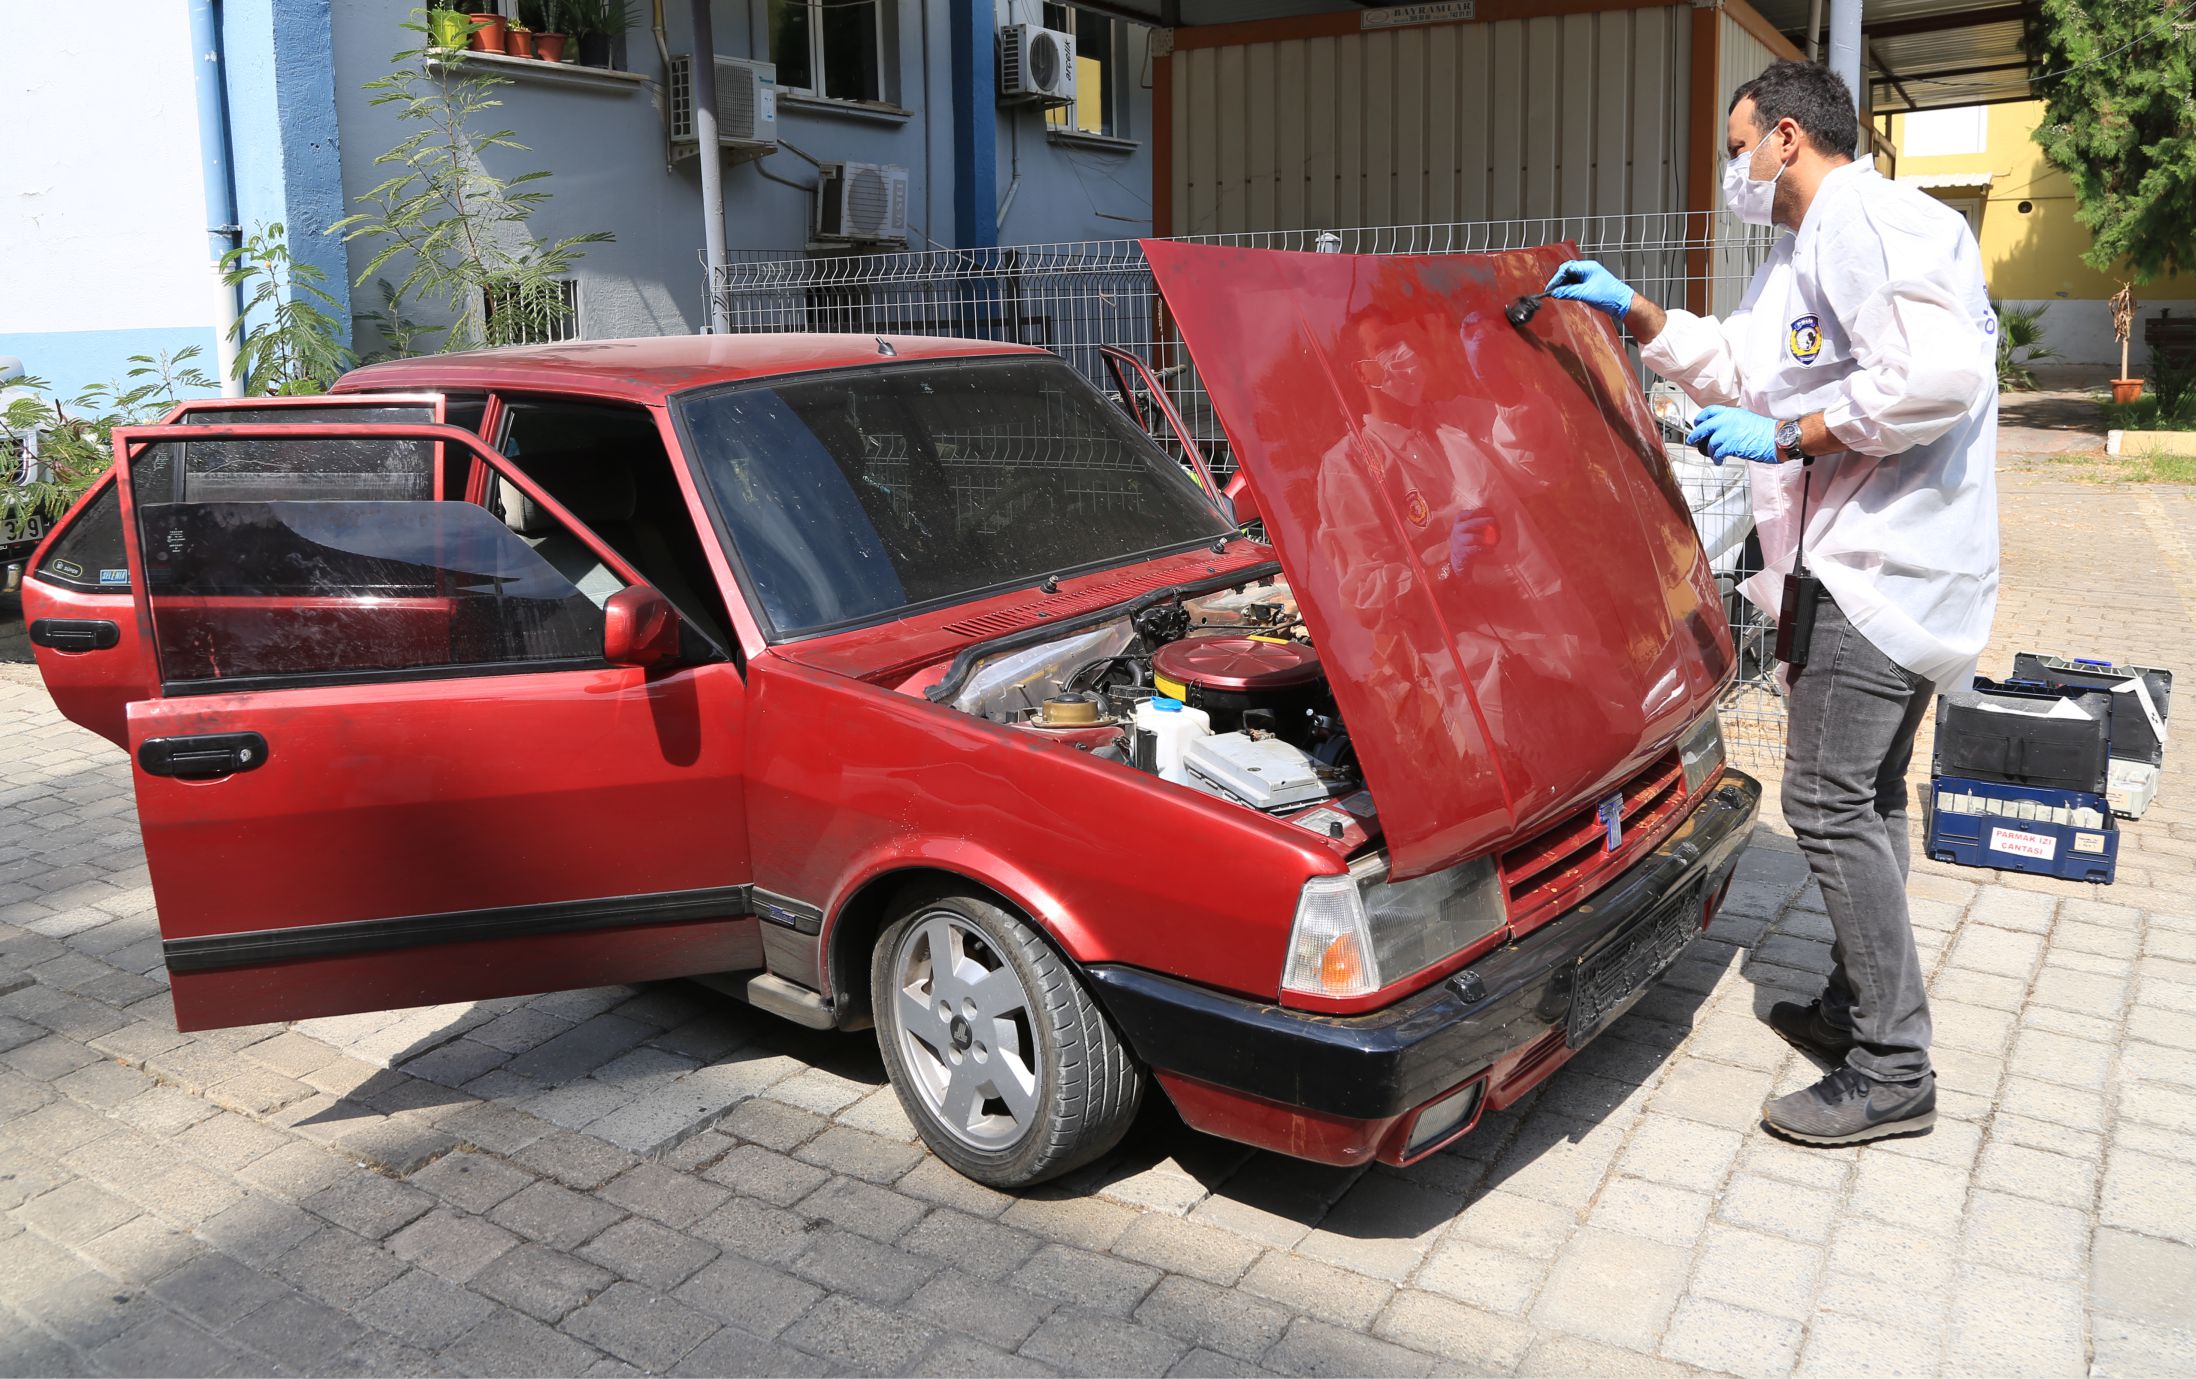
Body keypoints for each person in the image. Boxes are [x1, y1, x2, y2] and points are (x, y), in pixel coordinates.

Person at [1546, 59, 2000, 1146]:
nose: (1735, 164)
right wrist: (1638, 312)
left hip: (1879, 565)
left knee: (1828, 804)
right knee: (1871, 796)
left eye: (1738, 143)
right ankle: (1856, 1007)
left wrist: (1793, 438)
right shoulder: (1807, 249)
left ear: (1786, 138)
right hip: (1868, 565)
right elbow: (1747, 363)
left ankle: (1894, 1065)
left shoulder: (1869, 220)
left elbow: (1937, 379)